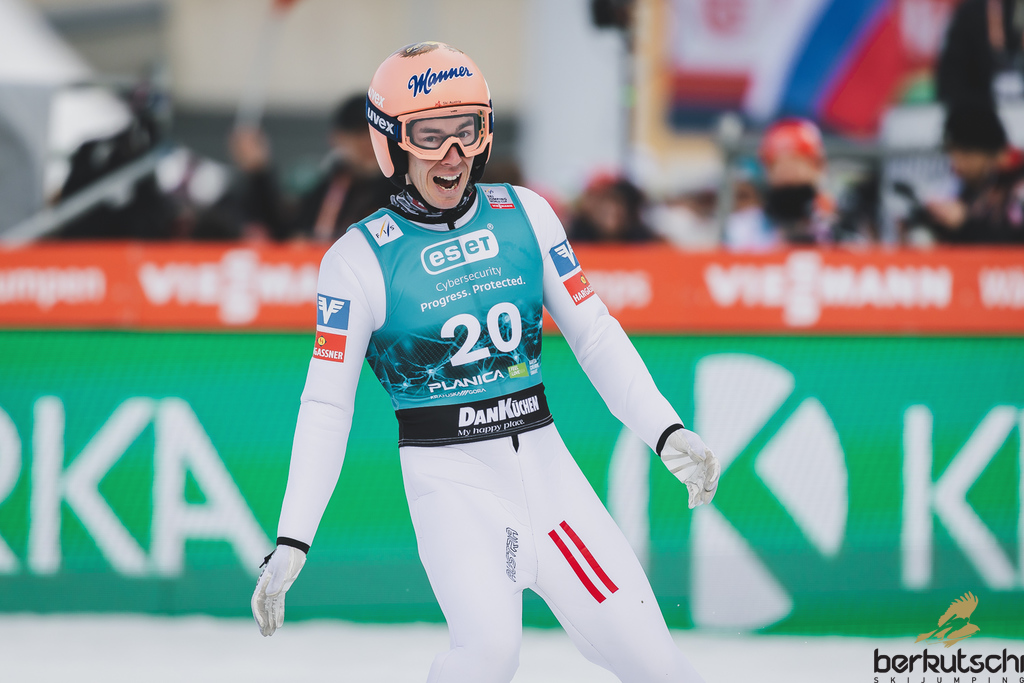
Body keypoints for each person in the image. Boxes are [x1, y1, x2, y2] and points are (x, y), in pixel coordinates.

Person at [250, 42, 719, 683]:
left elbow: (595, 335)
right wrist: (293, 537)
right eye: (429, 135)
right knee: (488, 657)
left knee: (661, 667)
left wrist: (665, 429)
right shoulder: (356, 261)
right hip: (454, 487)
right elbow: (327, 405)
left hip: (551, 480)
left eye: (466, 130)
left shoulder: (526, 214)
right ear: (391, 143)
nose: (452, 154)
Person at [230, 95, 394, 241]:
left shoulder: (398, 190)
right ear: (337, 138)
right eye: (358, 133)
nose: (367, 142)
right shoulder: (329, 186)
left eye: (373, 132)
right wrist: (258, 172)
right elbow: (287, 233)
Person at [725, 118, 844, 249]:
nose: (788, 173)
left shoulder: (838, 222)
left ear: (818, 166)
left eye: (797, 162)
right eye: (779, 165)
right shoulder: (744, 226)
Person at [923, 102, 1024, 243]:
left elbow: (1014, 240)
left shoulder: (1017, 184)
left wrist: (966, 224)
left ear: (990, 150)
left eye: (965, 155)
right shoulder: (973, 185)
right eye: (953, 155)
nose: (957, 163)